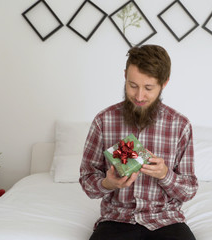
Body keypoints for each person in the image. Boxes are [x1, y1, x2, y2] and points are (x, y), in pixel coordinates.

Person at [79, 44, 198, 240]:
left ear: (164, 83)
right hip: (117, 219)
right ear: (125, 75)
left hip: (166, 220)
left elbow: (189, 190)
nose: (139, 96)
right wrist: (108, 183)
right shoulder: (103, 120)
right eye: (132, 85)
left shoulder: (180, 125)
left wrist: (165, 174)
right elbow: (87, 179)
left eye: (148, 88)